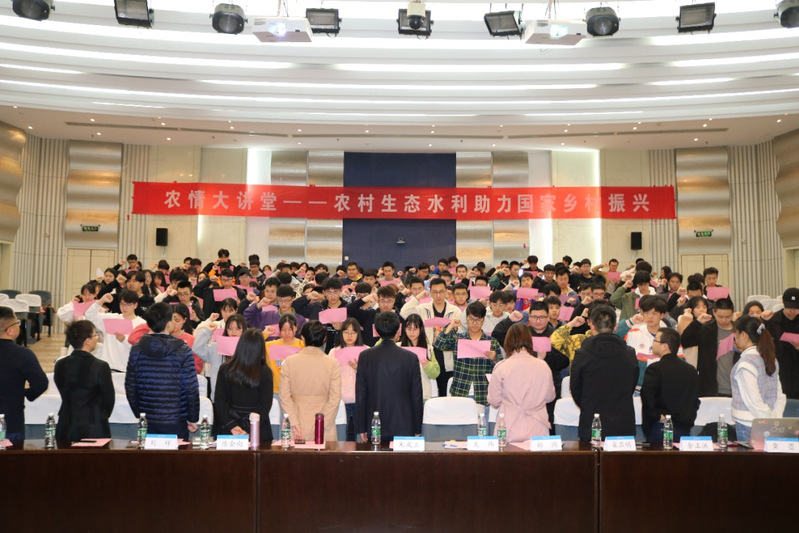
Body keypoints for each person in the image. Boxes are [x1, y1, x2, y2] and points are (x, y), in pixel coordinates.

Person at [125, 302, 199, 440]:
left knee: (150, 453)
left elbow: (130, 386)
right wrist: (192, 417)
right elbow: (191, 388)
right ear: (168, 324)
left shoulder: (137, 349)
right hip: (176, 418)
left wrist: (139, 414)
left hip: (147, 418)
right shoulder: (183, 350)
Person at [570, 305, 639, 442]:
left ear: (591, 324)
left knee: (591, 456)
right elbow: (632, 383)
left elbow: (575, 388)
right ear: (615, 326)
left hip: (592, 419)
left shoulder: (582, 354)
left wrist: (589, 404)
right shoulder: (629, 353)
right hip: (623, 420)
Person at [355, 311, 423, 442]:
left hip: (375, 424)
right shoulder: (411, 357)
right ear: (399, 329)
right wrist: (417, 428)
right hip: (404, 424)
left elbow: (361, 394)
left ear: (377, 330)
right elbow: (416, 396)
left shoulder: (365, 356)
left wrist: (362, 427)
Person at [487, 323, 556, 441]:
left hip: (509, 425)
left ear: (508, 342)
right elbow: (550, 397)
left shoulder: (501, 367)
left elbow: (494, 401)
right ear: (530, 341)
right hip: (537, 426)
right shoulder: (543, 366)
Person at [278, 321, 341, 443]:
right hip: (323, 422)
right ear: (324, 339)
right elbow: (335, 398)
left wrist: (294, 422)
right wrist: (322, 425)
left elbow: (284, 396)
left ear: (302, 338)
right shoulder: (332, 363)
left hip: (297, 424)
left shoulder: (289, 362)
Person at [54, 320, 115, 442]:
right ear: (87, 341)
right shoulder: (100, 366)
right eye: (95, 335)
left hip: (66, 424)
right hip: (94, 426)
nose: (97, 339)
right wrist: (100, 415)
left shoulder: (60, 364)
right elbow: (109, 399)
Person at [433, 301, 502, 408]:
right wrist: (451, 326)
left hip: (483, 393)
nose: (474, 323)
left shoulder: (491, 342)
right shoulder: (459, 339)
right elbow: (438, 344)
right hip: (460, 391)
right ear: (466, 319)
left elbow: (501, 367)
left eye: (478, 320)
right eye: (471, 319)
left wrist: (494, 358)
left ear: (483, 320)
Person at [731, 316, 787, 444]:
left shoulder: (746, 363)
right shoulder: (770, 357)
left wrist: (769, 421)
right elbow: (779, 394)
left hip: (750, 424)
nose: (735, 338)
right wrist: (775, 418)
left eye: (736, 334)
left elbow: (753, 401)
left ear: (744, 335)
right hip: (770, 419)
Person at [640, 328, 700, 444]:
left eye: (655, 340)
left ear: (665, 346)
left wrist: (657, 416)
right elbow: (695, 400)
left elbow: (647, 397)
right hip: (684, 427)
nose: (653, 343)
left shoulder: (655, 369)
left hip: (660, 427)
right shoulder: (691, 370)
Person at [213, 328, 274, 441]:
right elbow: (265, 405)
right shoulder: (265, 372)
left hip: (228, 427)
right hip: (257, 428)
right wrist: (248, 427)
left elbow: (220, 401)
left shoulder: (225, 369)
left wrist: (232, 425)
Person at [0, 306, 48, 442]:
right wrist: (26, 393)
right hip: (11, 421)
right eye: (17, 323)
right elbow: (40, 384)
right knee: (12, 455)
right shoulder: (22, 354)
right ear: (9, 330)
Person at [680, 297, 737, 397]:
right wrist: (697, 323)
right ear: (714, 312)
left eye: (728, 317)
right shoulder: (707, 329)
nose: (724, 320)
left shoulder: (739, 331)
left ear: (732, 314)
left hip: (735, 388)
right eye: (720, 317)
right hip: (710, 388)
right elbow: (686, 341)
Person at [194, 314, 246, 401]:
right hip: (220, 397)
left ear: (244, 330)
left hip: (242, 397)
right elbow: (197, 348)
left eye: (238, 329)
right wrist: (208, 331)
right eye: (230, 328)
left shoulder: (248, 347)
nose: (234, 332)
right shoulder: (216, 346)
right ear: (226, 330)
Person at [328, 318, 364, 441]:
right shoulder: (334, 352)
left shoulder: (366, 351)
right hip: (340, 401)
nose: (349, 335)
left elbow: (372, 378)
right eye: (346, 332)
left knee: (360, 438)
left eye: (353, 332)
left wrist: (359, 370)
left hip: (360, 401)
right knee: (342, 438)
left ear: (358, 333)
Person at [763, 288, 799, 399]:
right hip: (780, 372)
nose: (792, 311)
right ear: (783, 302)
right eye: (789, 307)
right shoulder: (773, 321)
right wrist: (762, 319)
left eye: (796, 308)